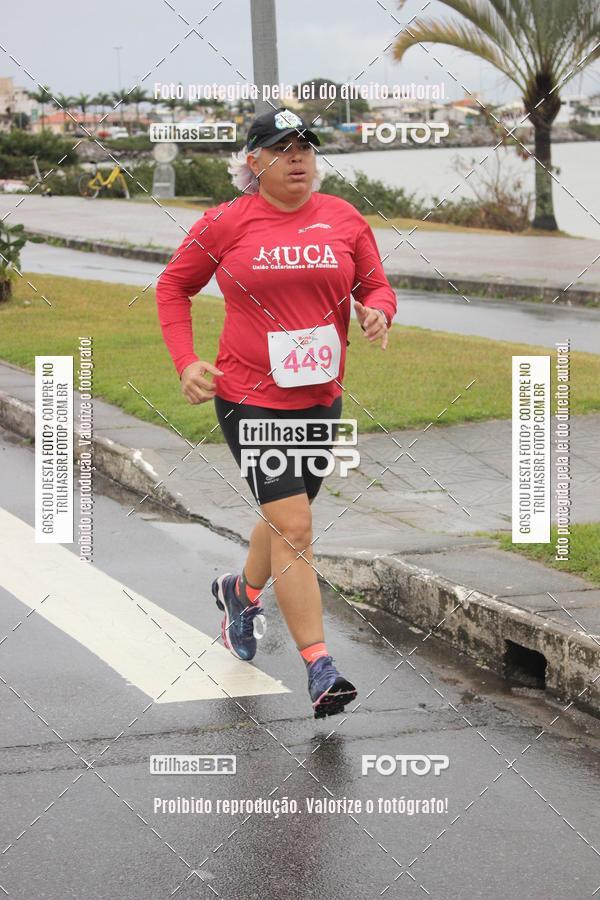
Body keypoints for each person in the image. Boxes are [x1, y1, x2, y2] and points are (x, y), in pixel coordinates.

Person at [156, 107, 397, 719]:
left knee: (289, 518)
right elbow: (172, 287)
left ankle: (240, 592)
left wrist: (377, 311)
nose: (298, 157)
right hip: (248, 395)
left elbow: (376, 284)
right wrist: (186, 360)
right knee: (293, 527)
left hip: (320, 395)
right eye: (282, 147)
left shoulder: (342, 218)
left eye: (306, 147)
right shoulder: (226, 223)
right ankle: (320, 665)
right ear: (253, 160)